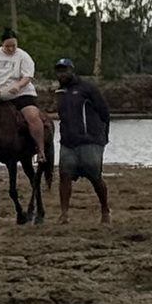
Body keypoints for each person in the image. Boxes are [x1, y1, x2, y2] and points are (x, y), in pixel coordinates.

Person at [54, 57, 111, 224]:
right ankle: (64, 214)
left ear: (72, 70)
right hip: (68, 143)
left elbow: (104, 112)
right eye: (59, 71)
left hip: (90, 141)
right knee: (64, 176)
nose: (62, 74)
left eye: (65, 70)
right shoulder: (60, 93)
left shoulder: (87, 89)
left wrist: (102, 137)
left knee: (95, 177)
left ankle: (105, 209)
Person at [0, 28, 48, 164]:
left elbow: (28, 76)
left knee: (32, 116)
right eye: (8, 46)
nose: (11, 49)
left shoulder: (23, 56)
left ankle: (41, 151)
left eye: (14, 46)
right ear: (2, 44)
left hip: (20, 93)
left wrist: (18, 85)